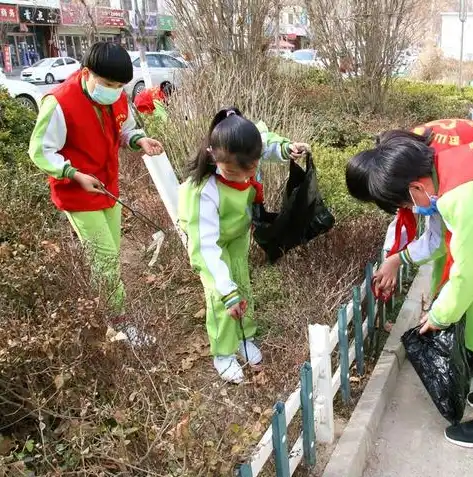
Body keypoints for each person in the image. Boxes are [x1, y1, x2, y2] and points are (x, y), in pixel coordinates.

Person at [345, 118, 473, 448]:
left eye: (405, 205)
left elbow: (467, 273)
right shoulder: (445, 162)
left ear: (415, 188)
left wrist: (440, 316)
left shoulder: (459, 197)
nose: (411, 211)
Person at [28, 42, 163, 347]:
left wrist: (139, 140)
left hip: (108, 187)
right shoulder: (60, 103)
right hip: (78, 191)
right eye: (107, 84)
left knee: (110, 255)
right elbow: (40, 151)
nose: (114, 91)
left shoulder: (115, 96)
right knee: (104, 258)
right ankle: (118, 324)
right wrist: (72, 173)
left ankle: (103, 313)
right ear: (86, 73)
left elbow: (125, 128)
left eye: (119, 86)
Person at [178, 107, 310, 383]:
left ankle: (243, 336)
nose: (244, 177)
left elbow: (267, 141)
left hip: (237, 233)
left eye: (252, 168)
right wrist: (227, 293)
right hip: (211, 242)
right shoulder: (204, 191)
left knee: (242, 282)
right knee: (222, 294)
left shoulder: (246, 154)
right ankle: (223, 353)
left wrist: (287, 149)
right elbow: (206, 249)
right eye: (234, 172)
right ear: (215, 158)